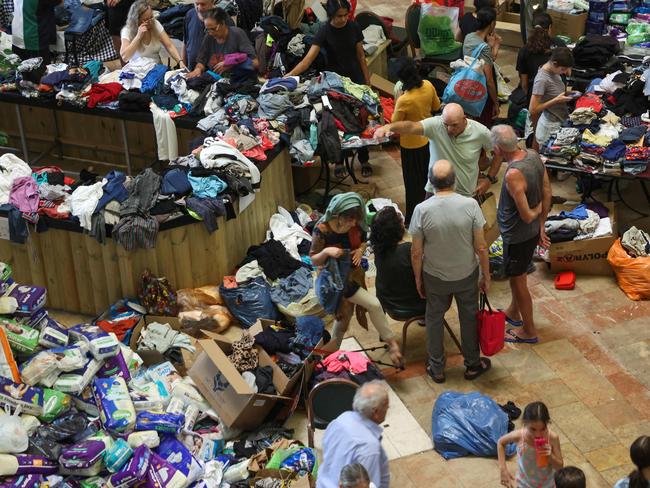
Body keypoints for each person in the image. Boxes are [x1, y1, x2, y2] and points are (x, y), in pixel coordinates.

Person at [409, 160, 492, 383]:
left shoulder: (421, 210)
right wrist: (486, 274)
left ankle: (436, 368)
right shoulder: (470, 205)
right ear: (454, 180)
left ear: (431, 182)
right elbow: (481, 247)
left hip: (435, 276)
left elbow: (416, 252)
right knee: (468, 317)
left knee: (434, 318)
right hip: (466, 274)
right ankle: (473, 364)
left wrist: (418, 278)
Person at [310, 192, 402, 367]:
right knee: (351, 320)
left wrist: (360, 249)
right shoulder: (321, 229)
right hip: (336, 284)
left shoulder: (355, 225)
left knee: (344, 327)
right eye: (350, 220)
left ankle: (392, 345)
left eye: (355, 220)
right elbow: (314, 258)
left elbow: (363, 241)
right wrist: (327, 252)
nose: (354, 224)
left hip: (352, 277)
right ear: (338, 216)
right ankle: (316, 363)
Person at [285, 0, 373, 178]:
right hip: (333, 84)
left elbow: (361, 56)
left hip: (355, 81)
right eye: (338, 16)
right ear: (331, 15)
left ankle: (364, 159)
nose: (342, 19)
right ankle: (339, 160)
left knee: (360, 120)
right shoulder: (324, 30)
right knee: (335, 122)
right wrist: (288, 76)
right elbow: (308, 60)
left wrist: (367, 82)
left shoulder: (353, 27)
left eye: (345, 15)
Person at [492, 125, 551, 344]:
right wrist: (542, 223)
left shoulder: (513, 174)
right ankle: (513, 312)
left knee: (518, 281)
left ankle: (529, 330)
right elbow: (547, 189)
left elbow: (526, 215)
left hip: (518, 236)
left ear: (498, 149)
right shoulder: (534, 155)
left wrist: (536, 214)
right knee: (520, 273)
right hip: (529, 233)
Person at [375, 103, 501, 198]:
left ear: (465, 118)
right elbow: (412, 126)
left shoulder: (480, 132)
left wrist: (488, 179)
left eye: (454, 125)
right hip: (435, 191)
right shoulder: (436, 125)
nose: (449, 129)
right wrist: (389, 126)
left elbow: (499, 153)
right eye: (446, 124)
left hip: (464, 194)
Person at [392, 58, 441, 224]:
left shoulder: (404, 99)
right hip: (428, 139)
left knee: (413, 184)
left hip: (410, 145)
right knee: (428, 180)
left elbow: (396, 125)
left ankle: (413, 219)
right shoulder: (428, 85)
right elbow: (436, 106)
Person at [317, 380, 390, 488]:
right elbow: (368, 484)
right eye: (386, 406)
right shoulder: (368, 447)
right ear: (375, 412)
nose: (388, 409)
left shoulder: (342, 419)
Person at [369, 206, 426, 315]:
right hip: (415, 304)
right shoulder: (408, 250)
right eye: (400, 220)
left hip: (388, 303)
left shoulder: (378, 250)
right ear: (397, 227)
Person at [497, 401, 564, 488]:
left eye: (543, 429)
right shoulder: (519, 436)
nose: (538, 434)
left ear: (548, 423)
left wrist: (550, 456)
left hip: (547, 485)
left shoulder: (552, 438)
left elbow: (560, 467)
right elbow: (501, 443)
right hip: (523, 484)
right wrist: (503, 470)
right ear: (525, 424)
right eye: (533, 429)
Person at [186, 7, 257, 78]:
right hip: (216, 80)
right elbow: (201, 61)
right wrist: (198, 69)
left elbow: (255, 63)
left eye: (213, 29)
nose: (210, 33)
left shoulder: (237, 34)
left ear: (223, 23)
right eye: (207, 30)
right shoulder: (208, 37)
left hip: (237, 80)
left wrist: (231, 64)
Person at [516, 11, 566, 104]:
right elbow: (567, 72)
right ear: (550, 27)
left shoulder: (524, 50)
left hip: (535, 96)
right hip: (557, 96)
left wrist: (531, 99)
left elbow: (524, 84)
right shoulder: (560, 44)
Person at [462, 7, 500, 126]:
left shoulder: (468, 37)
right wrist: (496, 102)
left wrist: (489, 46)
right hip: (480, 91)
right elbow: (489, 80)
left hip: (466, 84)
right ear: (492, 23)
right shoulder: (484, 47)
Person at [529, 47, 574, 146]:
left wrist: (569, 94)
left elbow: (553, 92)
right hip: (549, 126)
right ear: (554, 64)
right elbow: (532, 109)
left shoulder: (553, 71)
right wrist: (556, 100)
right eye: (563, 69)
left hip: (558, 120)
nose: (565, 72)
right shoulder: (542, 79)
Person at [120, 0, 184, 66]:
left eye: (151, 17)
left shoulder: (155, 23)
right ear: (136, 20)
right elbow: (125, 57)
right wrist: (138, 36)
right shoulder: (127, 30)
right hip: (137, 70)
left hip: (156, 68)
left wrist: (180, 61)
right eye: (145, 20)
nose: (150, 21)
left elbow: (169, 45)